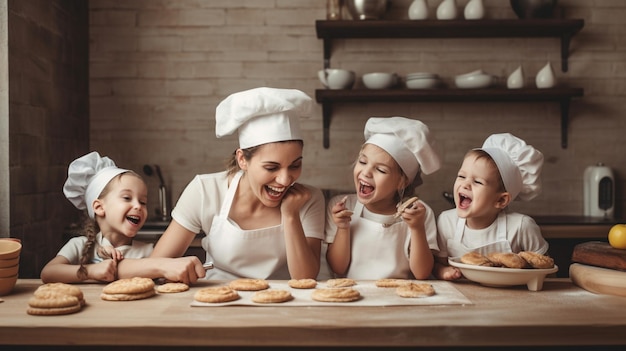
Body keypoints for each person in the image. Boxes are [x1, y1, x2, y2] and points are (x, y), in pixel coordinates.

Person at [126, 87, 325, 281]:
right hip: (217, 301)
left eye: (295, 166)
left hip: (283, 304)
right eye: (271, 168)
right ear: (242, 160)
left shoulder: (309, 200)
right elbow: (157, 264)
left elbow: (305, 278)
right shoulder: (205, 191)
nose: (285, 180)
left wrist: (290, 216)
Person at [325, 117, 441, 280]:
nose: (366, 172)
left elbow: (422, 273)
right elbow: (338, 267)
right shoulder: (342, 206)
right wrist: (343, 228)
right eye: (363, 161)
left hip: (399, 298)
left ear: (402, 182)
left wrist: (417, 228)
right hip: (353, 296)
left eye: (381, 169)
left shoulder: (419, 213)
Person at [433, 133, 549, 280]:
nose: (465, 184)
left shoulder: (521, 227)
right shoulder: (447, 221)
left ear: (501, 200)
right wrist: (443, 272)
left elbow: (545, 270)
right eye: (462, 176)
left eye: (478, 182)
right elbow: (437, 265)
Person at [41, 152, 153, 283]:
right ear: (99, 207)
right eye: (127, 198)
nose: (138, 206)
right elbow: (48, 273)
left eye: (143, 202)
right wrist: (90, 271)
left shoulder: (148, 252)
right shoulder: (79, 246)